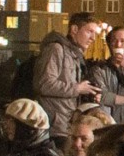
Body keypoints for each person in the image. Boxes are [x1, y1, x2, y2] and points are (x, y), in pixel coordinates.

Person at [32, 12, 104, 145]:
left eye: (95, 33)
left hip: (66, 124)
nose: (93, 38)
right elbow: (44, 84)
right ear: (74, 29)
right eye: (89, 32)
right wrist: (78, 88)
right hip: (54, 126)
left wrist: (88, 93)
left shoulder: (73, 54)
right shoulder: (56, 49)